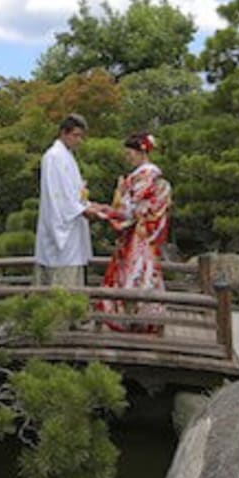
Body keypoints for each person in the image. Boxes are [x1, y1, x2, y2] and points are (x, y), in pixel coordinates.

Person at [95, 132, 171, 331]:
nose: (128, 158)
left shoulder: (146, 175)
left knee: (134, 274)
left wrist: (117, 196)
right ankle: (141, 321)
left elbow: (129, 210)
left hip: (138, 235)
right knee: (141, 275)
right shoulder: (145, 175)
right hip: (141, 234)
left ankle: (136, 323)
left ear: (142, 152)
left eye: (130, 154)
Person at [34, 113, 100, 287]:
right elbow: (58, 196)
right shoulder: (54, 156)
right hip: (62, 229)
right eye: (76, 135)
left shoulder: (67, 156)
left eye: (81, 136)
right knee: (61, 284)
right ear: (64, 133)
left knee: (72, 277)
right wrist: (83, 210)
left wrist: (88, 205)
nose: (79, 140)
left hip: (73, 227)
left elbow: (72, 193)